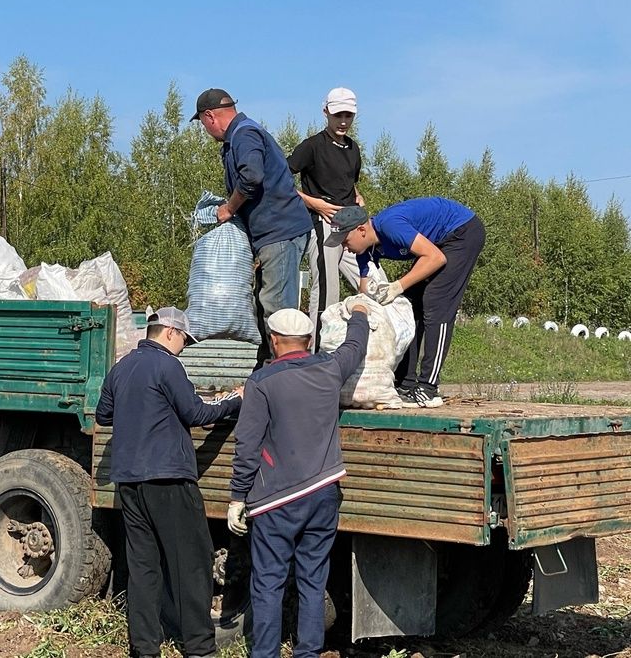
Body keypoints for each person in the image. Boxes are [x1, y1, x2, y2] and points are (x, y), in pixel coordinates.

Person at [95, 307, 242, 658]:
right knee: (191, 564)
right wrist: (236, 398)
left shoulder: (121, 368)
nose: (185, 348)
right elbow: (196, 413)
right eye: (185, 341)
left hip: (130, 483)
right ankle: (200, 648)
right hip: (169, 479)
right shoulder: (167, 366)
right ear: (171, 333)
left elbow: (103, 414)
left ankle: (144, 649)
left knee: (144, 569)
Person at [226, 306, 369, 658]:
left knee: (269, 582)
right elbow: (356, 345)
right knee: (312, 579)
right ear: (309, 340)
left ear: (274, 341)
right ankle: (307, 652)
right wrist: (360, 314)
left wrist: (237, 497)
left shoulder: (261, 382)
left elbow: (248, 443)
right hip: (324, 494)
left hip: (276, 500)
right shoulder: (331, 368)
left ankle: (265, 654)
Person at [325, 197, 486, 408]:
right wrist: (368, 303)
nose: (345, 248)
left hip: (462, 233)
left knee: (436, 303)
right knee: (410, 304)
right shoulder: (365, 251)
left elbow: (436, 258)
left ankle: (428, 389)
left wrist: (396, 286)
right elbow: (363, 288)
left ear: (361, 230)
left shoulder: (390, 226)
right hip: (438, 244)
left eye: (345, 240)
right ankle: (406, 383)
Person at [192, 88, 312, 362]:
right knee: (263, 305)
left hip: (280, 232)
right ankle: (265, 369)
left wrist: (228, 209)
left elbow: (252, 178)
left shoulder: (244, 134)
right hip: (269, 235)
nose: (206, 131)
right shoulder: (238, 138)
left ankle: (284, 375)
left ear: (209, 117)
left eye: (202, 125)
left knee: (277, 308)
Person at [287, 87, 372, 349]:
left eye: (348, 115)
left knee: (375, 285)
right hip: (323, 224)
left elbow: (349, 182)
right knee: (327, 292)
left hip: (352, 226)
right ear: (326, 113)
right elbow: (279, 179)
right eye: (338, 115)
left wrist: (358, 196)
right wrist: (314, 203)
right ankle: (316, 357)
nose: (343, 121)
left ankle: (370, 354)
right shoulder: (312, 146)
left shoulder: (353, 149)